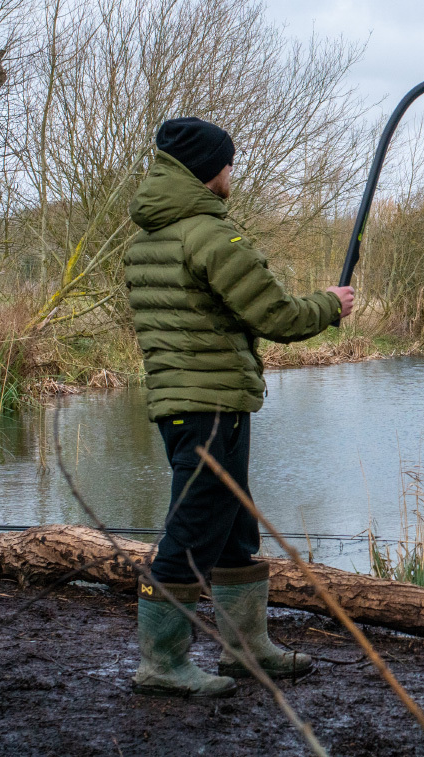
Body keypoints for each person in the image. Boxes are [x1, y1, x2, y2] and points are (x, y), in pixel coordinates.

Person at [123, 117, 355, 697]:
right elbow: (275, 315)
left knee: (233, 530)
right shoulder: (207, 235)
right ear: (208, 171)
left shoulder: (148, 237)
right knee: (192, 531)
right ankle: (162, 663)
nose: (233, 172)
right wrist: (330, 303)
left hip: (187, 403)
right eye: (228, 163)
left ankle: (246, 649)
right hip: (211, 404)